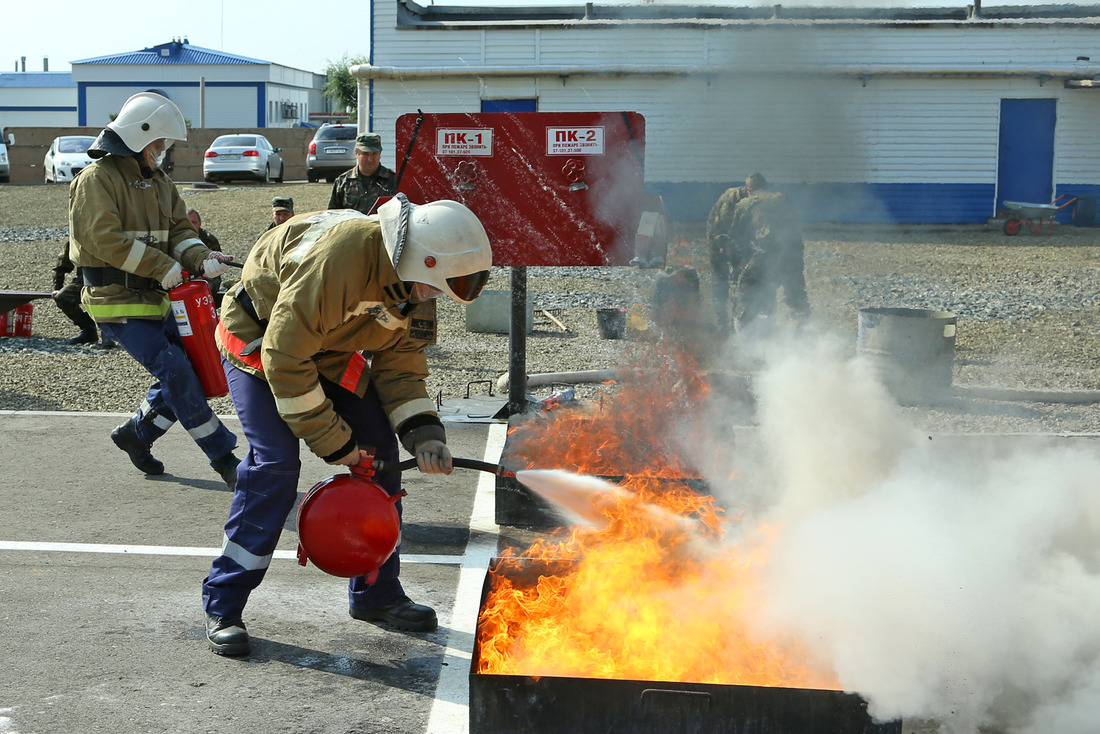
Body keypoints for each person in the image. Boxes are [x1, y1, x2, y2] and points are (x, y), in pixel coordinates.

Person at [202, 193, 492, 656]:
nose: (436, 297)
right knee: (275, 465)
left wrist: (423, 433)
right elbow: (285, 356)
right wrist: (338, 447)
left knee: (382, 458)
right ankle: (224, 600)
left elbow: (401, 366)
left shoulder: (418, 281)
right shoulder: (340, 260)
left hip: (328, 350)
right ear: (419, 260)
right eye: (436, 287)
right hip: (262, 342)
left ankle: (376, 594)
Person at [68, 92, 240, 488]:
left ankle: (137, 435)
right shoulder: (96, 180)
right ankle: (224, 458)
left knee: (189, 370)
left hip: (159, 299)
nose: (162, 152)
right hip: (115, 304)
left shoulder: (160, 183)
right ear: (136, 136)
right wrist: (163, 266)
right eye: (158, 143)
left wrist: (201, 257)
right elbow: (102, 239)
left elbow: (180, 230)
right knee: (176, 369)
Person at [727, 172, 810, 327]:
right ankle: (804, 334)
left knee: (748, 289)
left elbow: (735, 237)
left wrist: (740, 261)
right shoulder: (783, 199)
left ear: (748, 189)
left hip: (766, 255)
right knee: (796, 297)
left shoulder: (746, 203)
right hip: (793, 255)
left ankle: (746, 334)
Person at [52, 239, 116, 348]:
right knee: (63, 297)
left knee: (104, 297)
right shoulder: (76, 240)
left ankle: (108, 332)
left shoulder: (111, 236)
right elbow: (61, 266)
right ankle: (88, 329)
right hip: (85, 281)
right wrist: (57, 287)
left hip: (113, 280)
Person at [705, 183, 749, 331]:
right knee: (720, 279)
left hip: (735, 241)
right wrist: (727, 248)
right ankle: (723, 320)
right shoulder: (732, 199)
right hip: (719, 241)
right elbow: (720, 229)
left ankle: (739, 316)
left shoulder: (752, 200)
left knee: (740, 277)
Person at [327, 133, 396, 215]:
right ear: (356, 153)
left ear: (380, 154)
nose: (370, 159)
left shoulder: (393, 180)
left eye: (374, 153)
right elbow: (332, 215)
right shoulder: (343, 182)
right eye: (365, 154)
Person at [187, 208, 225, 302]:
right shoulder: (176, 240)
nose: (190, 226)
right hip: (186, 277)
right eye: (187, 223)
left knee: (205, 289)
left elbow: (219, 265)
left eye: (194, 222)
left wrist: (204, 275)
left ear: (200, 223)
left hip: (209, 276)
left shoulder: (209, 240)